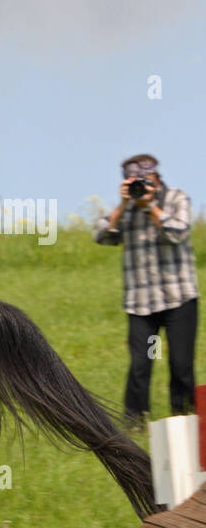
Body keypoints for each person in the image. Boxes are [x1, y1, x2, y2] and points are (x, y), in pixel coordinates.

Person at [94, 154, 199, 428]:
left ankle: (187, 423)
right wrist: (124, 204)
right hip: (140, 303)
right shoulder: (126, 208)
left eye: (143, 177)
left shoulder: (176, 198)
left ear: (155, 175)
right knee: (140, 365)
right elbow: (103, 235)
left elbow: (178, 233)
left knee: (181, 365)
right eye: (132, 179)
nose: (139, 183)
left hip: (179, 298)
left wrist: (150, 206)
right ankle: (135, 426)